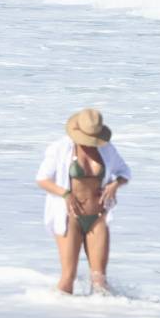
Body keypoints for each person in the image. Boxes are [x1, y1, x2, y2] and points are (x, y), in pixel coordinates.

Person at [35, 108, 131, 294]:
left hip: (97, 216)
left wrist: (114, 185)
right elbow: (42, 179)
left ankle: (100, 317)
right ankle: (60, 317)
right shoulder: (60, 148)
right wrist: (65, 194)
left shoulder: (106, 149)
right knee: (68, 277)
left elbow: (125, 172)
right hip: (69, 218)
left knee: (100, 281)